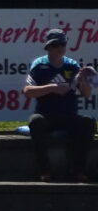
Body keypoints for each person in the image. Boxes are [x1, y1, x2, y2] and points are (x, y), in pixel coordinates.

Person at [24, 28, 95, 182]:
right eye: (55, 45)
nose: (59, 49)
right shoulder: (39, 65)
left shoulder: (72, 65)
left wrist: (83, 79)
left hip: (68, 115)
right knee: (35, 122)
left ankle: (78, 170)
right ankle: (45, 170)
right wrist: (52, 88)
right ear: (48, 47)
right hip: (47, 116)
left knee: (88, 122)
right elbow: (28, 91)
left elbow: (86, 94)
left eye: (62, 44)